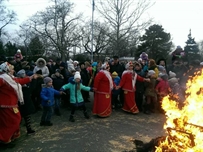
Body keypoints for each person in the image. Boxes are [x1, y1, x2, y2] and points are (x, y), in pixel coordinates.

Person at [0, 62, 36, 148]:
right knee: (12, 121)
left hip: (12, 104)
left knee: (14, 120)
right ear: (7, 70)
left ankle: (9, 138)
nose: (13, 70)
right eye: (12, 69)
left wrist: (31, 77)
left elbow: (20, 81)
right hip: (6, 105)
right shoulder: (2, 79)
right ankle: (5, 140)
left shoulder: (10, 78)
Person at [16, 69, 36, 135]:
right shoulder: (21, 87)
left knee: (26, 117)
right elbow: (31, 89)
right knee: (21, 117)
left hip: (24, 103)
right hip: (23, 103)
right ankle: (19, 130)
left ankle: (28, 129)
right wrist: (34, 80)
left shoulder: (23, 85)